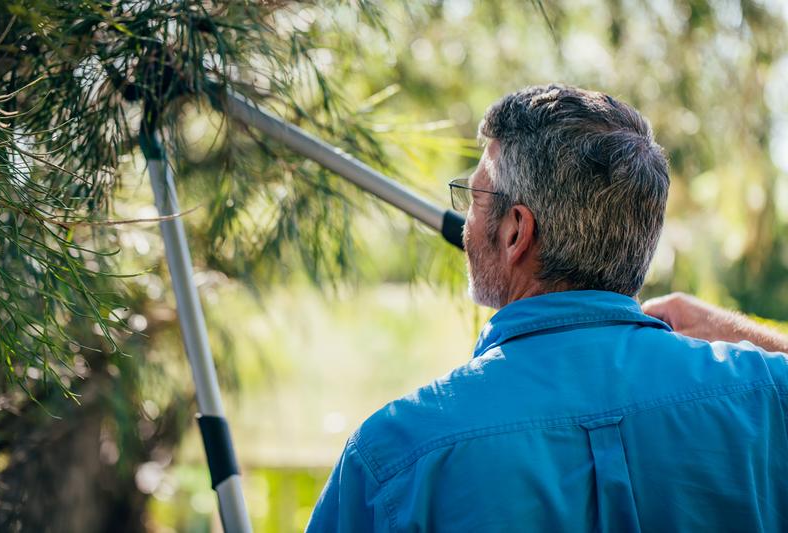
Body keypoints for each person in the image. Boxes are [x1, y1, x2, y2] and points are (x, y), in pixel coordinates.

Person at [306, 85, 788, 532]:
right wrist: (735, 332)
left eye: (473, 198)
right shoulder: (769, 398)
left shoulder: (393, 456)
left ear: (516, 231)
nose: (466, 224)